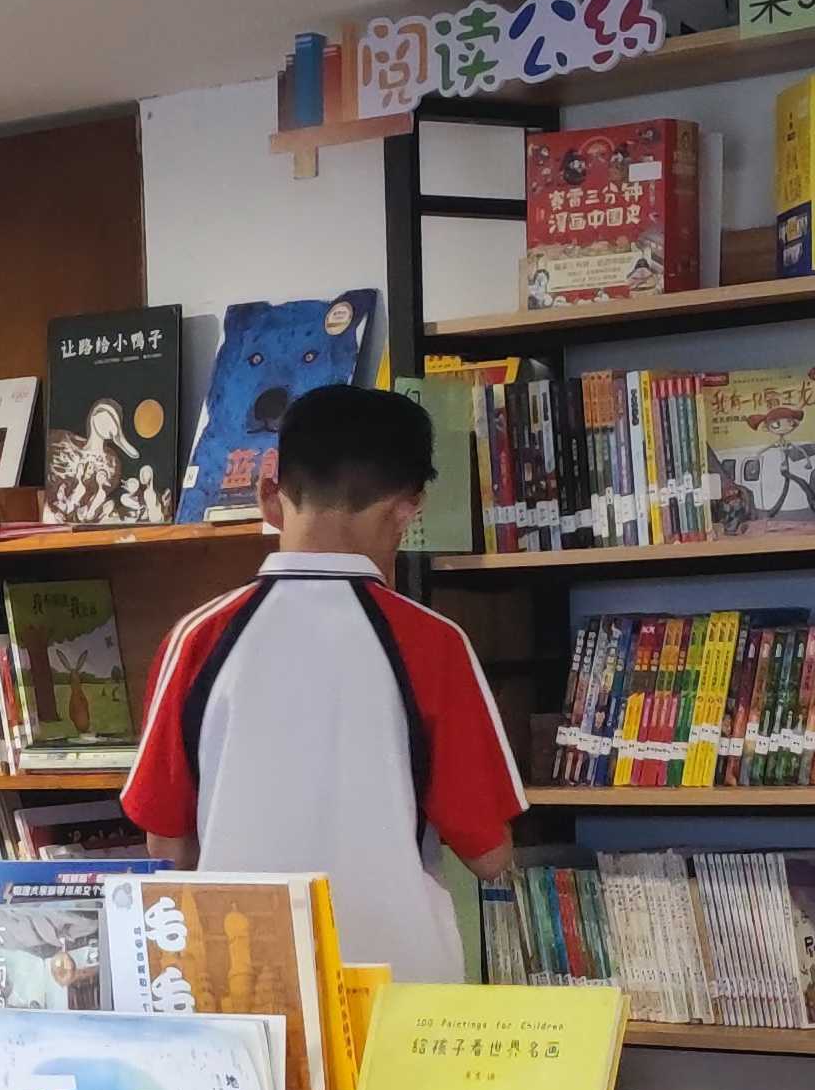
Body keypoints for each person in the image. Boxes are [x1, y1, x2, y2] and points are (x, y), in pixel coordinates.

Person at [116, 384, 528, 988]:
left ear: (269, 497)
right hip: (399, 990)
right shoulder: (435, 644)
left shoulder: (196, 638)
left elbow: (167, 847)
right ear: (406, 510)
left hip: (240, 988)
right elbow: (490, 855)